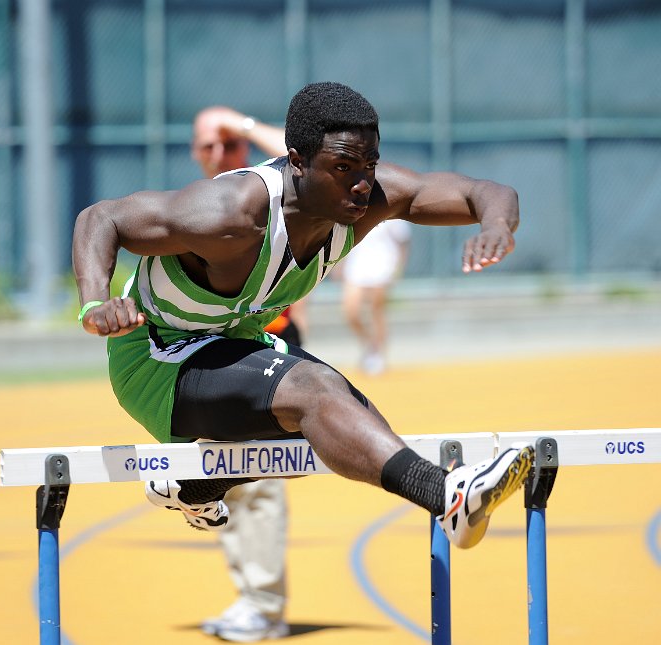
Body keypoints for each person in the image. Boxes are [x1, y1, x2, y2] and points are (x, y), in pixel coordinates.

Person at [73, 80, 534, 595]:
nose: (362, 185)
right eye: (343, 168)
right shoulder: (231, 214)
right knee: (315, 394)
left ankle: (197, 484)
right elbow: (101, 217)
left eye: (370, 165)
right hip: (158, 358)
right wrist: (96, 303)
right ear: (296, 161)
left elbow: (486, 191)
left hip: (235, 342)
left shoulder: (367, 202)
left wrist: (496, 225)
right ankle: (446, 494)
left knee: (354, 423)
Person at [191, 106, 293, 642]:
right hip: (212, 357)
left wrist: (242, 125)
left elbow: (309, 161)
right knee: (224, 477)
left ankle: (265, 605)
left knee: (257, 481)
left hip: (265, 350)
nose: (218, 155)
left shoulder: (270, 189)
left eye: (226, 146)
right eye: (208, 146)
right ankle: (252, 598)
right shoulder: (198, 207)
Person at [341, 217, 411, 374]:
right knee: (351, 312)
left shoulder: (392, 214)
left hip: (383, 263)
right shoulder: (353, 208)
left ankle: (378, 355)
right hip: (356, 265)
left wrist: (398, 268)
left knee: (376, 311)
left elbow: (403, 241)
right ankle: (370, 344)